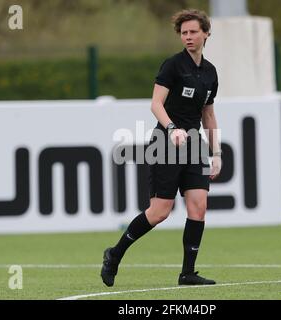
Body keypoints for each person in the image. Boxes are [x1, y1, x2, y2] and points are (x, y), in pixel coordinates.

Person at [101, 8, 221, 287]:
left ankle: (187, 273)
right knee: (159, 212)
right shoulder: (172, 65)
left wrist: (216, 153)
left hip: (194, 146)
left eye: (193, 32)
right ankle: (114, 255)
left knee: (198, 207)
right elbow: (156, 104)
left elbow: (209, 115)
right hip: (166, 143)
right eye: (184, 33)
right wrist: (171, 129)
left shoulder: (211, 73)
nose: (188, 37)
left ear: (206, 33)